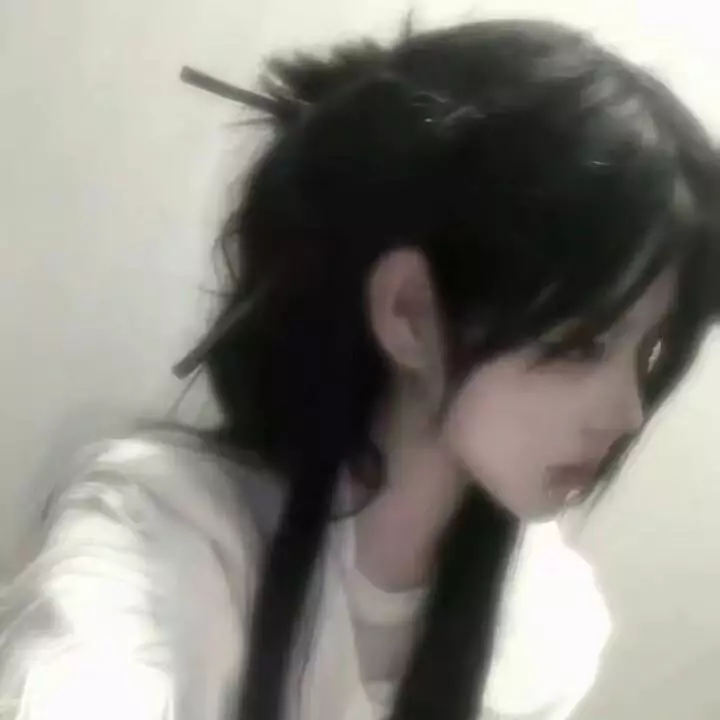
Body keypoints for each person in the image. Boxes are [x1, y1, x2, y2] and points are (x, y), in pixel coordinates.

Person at [1, 17, 719, 720]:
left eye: (650, 353)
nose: (628, 412)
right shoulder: (166, 533)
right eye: (579, 344)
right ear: (408, 312)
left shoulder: (546, 617)